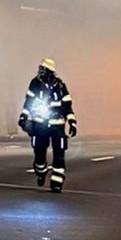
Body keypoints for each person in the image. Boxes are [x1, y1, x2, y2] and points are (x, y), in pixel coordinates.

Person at [18, 58, 76, 192]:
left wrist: (72, 122)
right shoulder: (35, 84)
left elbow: (67, 105)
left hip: (58, 125)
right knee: (39, 151)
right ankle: (41, 170)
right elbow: (29, 101)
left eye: (44, 69)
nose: (41, 72)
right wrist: (24, 116)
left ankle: (57, 183)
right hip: (40, 124)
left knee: (59, 155)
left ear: (50, 71)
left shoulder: (60, 85)